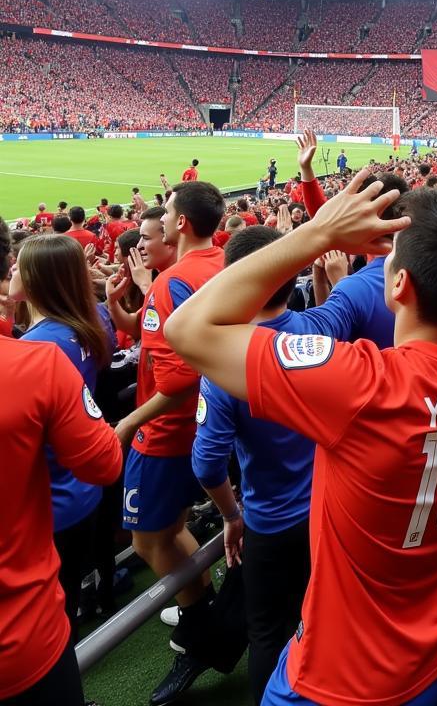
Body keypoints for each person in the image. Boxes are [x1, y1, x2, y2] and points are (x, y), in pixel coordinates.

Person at [163, 178, 437, 706]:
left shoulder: (361, 383)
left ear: (399, 283)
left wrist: (317, 233)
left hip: (349, 676)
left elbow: (188, 327)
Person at [108, 182, 226, 706]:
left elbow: (177, 381)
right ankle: (202, 604)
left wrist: (130, 422)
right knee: (171, 527)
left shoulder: (172, 283)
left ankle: (203, 626)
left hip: (167, 433)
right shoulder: (225, 262)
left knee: (149, 538)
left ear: (179, 224)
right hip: (208, 426)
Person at [0, 216, 123, 706]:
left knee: (64, 587)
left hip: (54, 497)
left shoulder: (38, 349)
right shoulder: (91, 321)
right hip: (78, 485)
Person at [191, 225, 316, 704]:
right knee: (316, 620)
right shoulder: (317, 328)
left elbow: (206, 464)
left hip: (271, 522)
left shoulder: (227, 360)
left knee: (267, 634)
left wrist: (229, 515)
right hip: (325, 513)